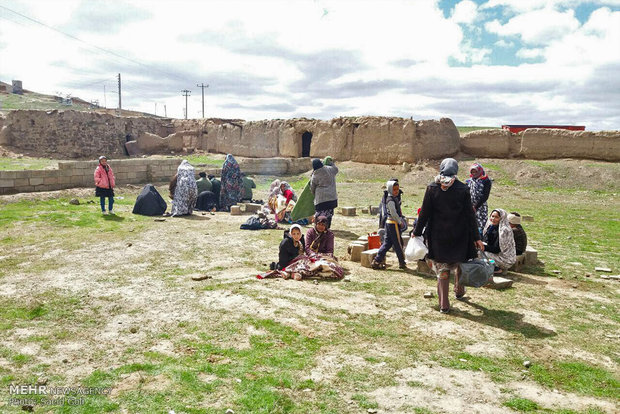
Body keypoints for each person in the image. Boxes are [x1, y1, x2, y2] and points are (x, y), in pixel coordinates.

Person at [413, 158, 483, 314]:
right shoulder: (463, 189)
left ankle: (444, 305)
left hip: (439, 237)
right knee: (459, 264)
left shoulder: (432, 188)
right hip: (459, 235)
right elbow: (469, 216)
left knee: (443, 269)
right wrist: (476, 237)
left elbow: (424, 213)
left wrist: (416, 232)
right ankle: (459, 291)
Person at [372, 180, 408, 270]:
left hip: (390, 223)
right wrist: (400, 222)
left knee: (387, 243)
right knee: (398, 243)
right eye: (394, 189)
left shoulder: (393, 198)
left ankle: (377, 260)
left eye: (397, 189)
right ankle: (402, 262)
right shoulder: (390, 200)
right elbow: (393, 213)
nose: (396, 191)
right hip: (393, 223)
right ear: (390, 189)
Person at [310, 157, 339, 228]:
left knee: (320, 215)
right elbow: (336, 169)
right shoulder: (329, 169)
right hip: (332, 198)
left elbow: (312, 187)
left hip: (321, 200)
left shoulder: (315, 175)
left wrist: (315, 195)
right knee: (329, 214)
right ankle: (327, 227)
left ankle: (319, 228)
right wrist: (331, 162)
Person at [466, 163, 492, 235]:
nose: (474, 173)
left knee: (481, 224)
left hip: (481, 207)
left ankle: (480, 240)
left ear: (480, 171)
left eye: (476, 171)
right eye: (472, 172)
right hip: (470, 206)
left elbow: (485, 196)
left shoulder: (486, 181)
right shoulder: (468, 181)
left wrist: (476, 206)